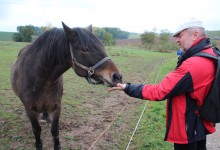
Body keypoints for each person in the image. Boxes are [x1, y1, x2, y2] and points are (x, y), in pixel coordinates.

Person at [108, 18, 217, 150]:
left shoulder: (193, 64)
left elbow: (160, 91)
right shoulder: (210, 53)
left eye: (180, 35)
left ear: (195, 35)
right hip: (199, 122)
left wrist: (127, 87)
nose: (177, 40)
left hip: (187, 126)